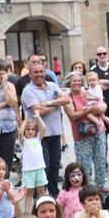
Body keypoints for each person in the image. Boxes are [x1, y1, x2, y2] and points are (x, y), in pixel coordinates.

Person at [20, 62, 67, 196]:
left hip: (55, 132)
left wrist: (49, 103)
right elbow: (38, 111)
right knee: (42, 167)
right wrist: (57, 105)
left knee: (54, 165)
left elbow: (67, 99)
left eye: (41, 71)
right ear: (30, 74)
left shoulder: (52, 85)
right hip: (39, 136)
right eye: (36, 72)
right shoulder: (28, 90)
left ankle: (53, 194)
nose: (39, 74)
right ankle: (39, 197)